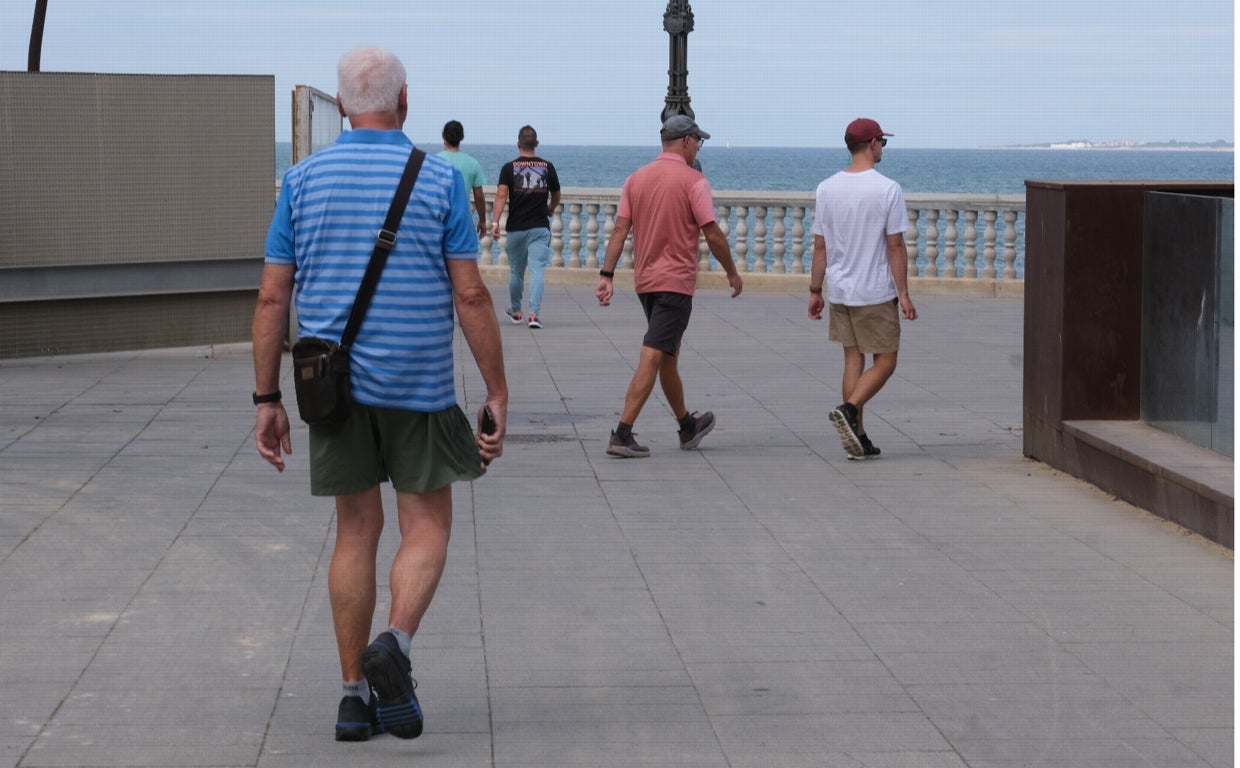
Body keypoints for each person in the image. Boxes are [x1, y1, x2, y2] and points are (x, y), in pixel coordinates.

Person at [251, 46, 508, 743]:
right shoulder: (436, 180)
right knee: (426, 525)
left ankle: (350, 699)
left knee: (355, 531)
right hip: (419, 387)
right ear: (403, 103)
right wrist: (497, 388)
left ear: (341, 106)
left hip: (331, 391)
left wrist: (265, 398)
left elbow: (274, 295)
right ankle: (394, 642)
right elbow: (470, 292)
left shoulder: (301, 180)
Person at [594, 114, 743, 458]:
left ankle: (688, 426)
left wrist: (607, 274)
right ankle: (622, 433)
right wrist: (732, 272)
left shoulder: (636, 179)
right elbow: (712, 232)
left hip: (645, 282)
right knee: (653, 354)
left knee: (667, 356)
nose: (698, 148)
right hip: (675, 283)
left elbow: (620, 230)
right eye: (698, 142)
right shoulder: (694, 181)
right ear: (687, 141)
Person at [808, 117, 918, 460]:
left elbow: (820, 246)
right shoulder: (887, 189)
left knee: (852, 359)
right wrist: (904, 293)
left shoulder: (826, 188)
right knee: (886, 360)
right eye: (882, 142)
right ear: (872, 144)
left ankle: (858, 438)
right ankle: (850, 409)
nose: (883, 147)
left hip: (840, 290)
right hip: (874, 290)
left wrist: (815, 289)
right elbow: (895, 246)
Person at [490, 126, 560, 329]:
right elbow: (556, 194)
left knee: (516, 271)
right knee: (537, 270)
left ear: (518, 144)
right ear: (536, 144)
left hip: (516, 228)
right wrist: (550, 208)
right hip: (539, 226)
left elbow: (501, 195)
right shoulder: (548, 166)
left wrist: (495, 222)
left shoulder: (508, 168)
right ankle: (534, 315)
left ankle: (516, 311)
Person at [436, 120, 489, 237]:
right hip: (462, 220)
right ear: (462, 137)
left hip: (439, 218)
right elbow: (479, 197)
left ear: (443, 136)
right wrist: (482, 221)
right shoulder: (472, 163)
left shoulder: (434, 161)